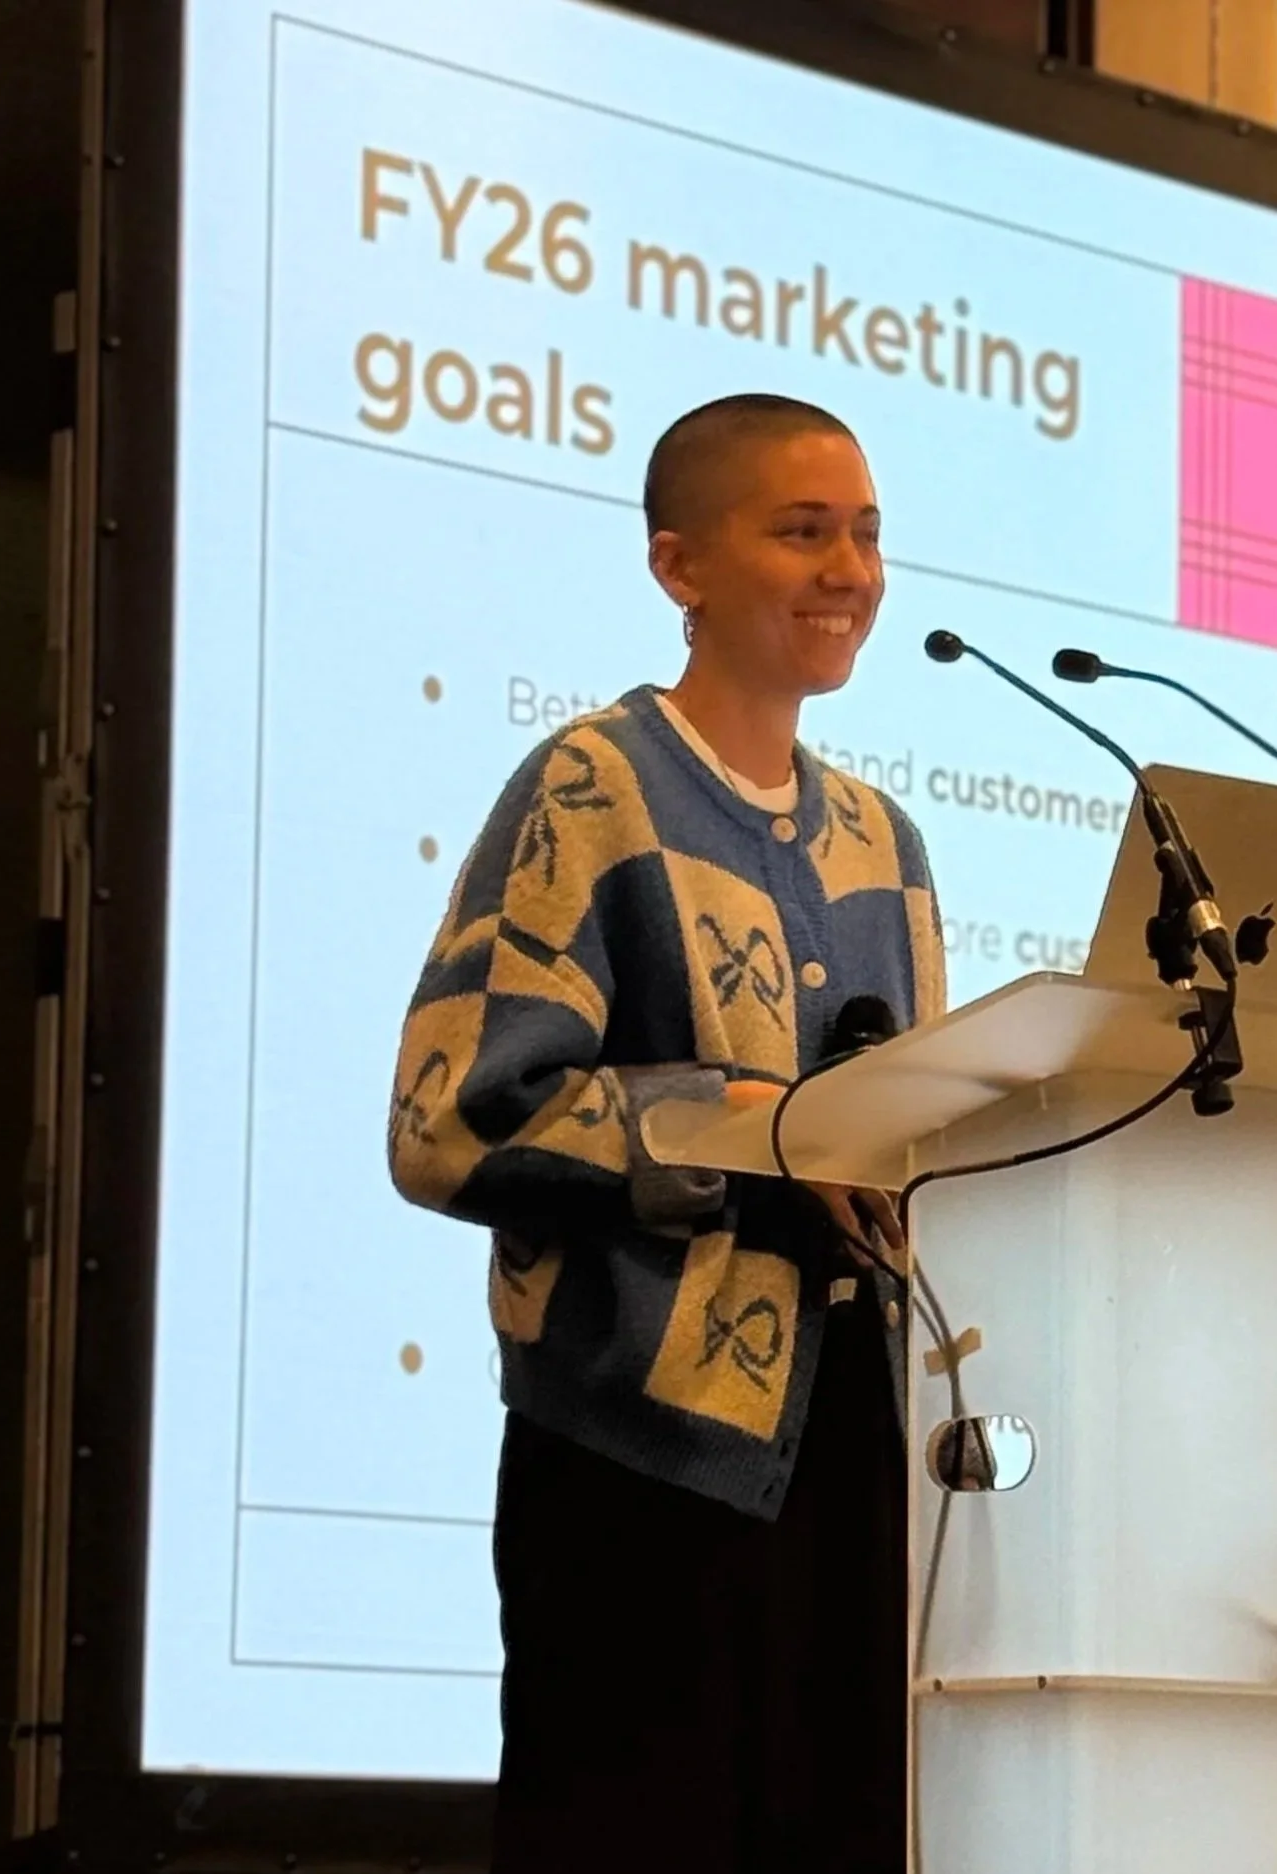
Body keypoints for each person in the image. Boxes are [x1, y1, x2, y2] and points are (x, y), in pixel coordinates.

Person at [387, 393, 944, 1873]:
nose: (850, 571)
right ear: (679, 565)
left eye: (867, 534)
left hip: (854, 1468)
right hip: (637, 1471)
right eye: (804, 531)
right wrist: (744, 1131)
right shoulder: (594, 787)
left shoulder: (887, 843)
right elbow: (452, 1114)